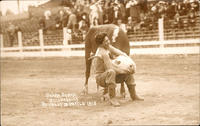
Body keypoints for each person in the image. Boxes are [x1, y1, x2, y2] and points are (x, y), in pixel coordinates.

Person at [93, 32, 143, 107]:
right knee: (112, 72)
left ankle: (134, 95)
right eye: (106, 41)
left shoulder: (107, 47)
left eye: (108, 40)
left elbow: (121, 53)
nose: (108, 42)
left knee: (128, 73)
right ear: (101, 43)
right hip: (101, 78)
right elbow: (111, 68)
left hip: (108, 75)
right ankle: (112, 98)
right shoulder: (102, 52)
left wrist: (128, 61)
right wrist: (124, 70)